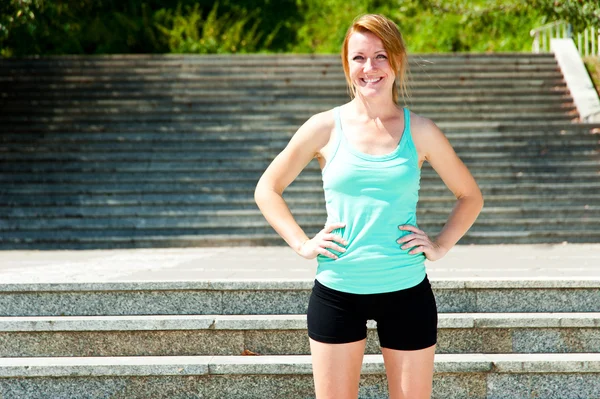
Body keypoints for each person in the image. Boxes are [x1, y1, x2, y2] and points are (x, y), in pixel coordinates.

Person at [254, 13, 483, 399]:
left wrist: (440, 245)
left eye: (380, 56)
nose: (370, 67)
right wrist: (302, 243)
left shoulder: (421, 130)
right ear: (347, 64)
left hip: (407, 290)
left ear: (396, 60)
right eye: (359, 57)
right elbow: (268, 188)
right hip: (337, 291)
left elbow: (470, 196)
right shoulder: (323, 127)